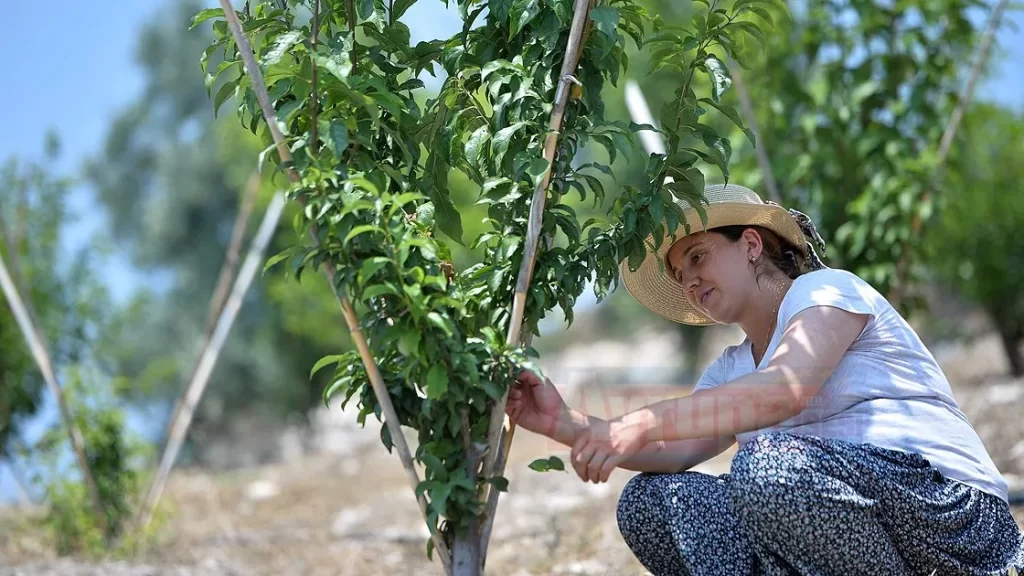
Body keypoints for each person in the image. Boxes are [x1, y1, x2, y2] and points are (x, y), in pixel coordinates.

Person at [505, 183, 1024, 575]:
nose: (689, 280)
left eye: (698, 256)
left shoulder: (825, 291)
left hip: (955, 524)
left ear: (751, 244)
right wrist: (565, 423)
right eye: (680, 273)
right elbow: (670, 449)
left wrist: (639, 420)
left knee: (767, 466)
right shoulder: (731, 369)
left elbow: (784, 390)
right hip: (855, 539)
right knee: (652, 503)